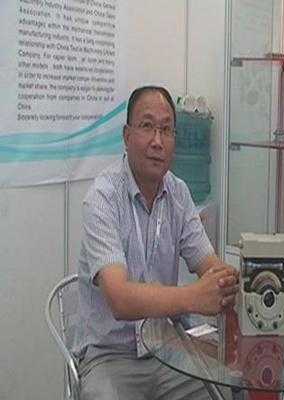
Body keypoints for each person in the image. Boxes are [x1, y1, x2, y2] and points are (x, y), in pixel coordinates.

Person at [74, 86, 238, 400]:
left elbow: (210, 267)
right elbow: (120, 300)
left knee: (227, 389)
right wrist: (193, 296)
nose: (157, 141)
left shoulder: (178, 193)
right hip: (111, 355)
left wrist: (231, 282)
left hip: (167, 347)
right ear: (127, 136)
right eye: (147, 126)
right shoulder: (103, 198)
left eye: (166, 130)